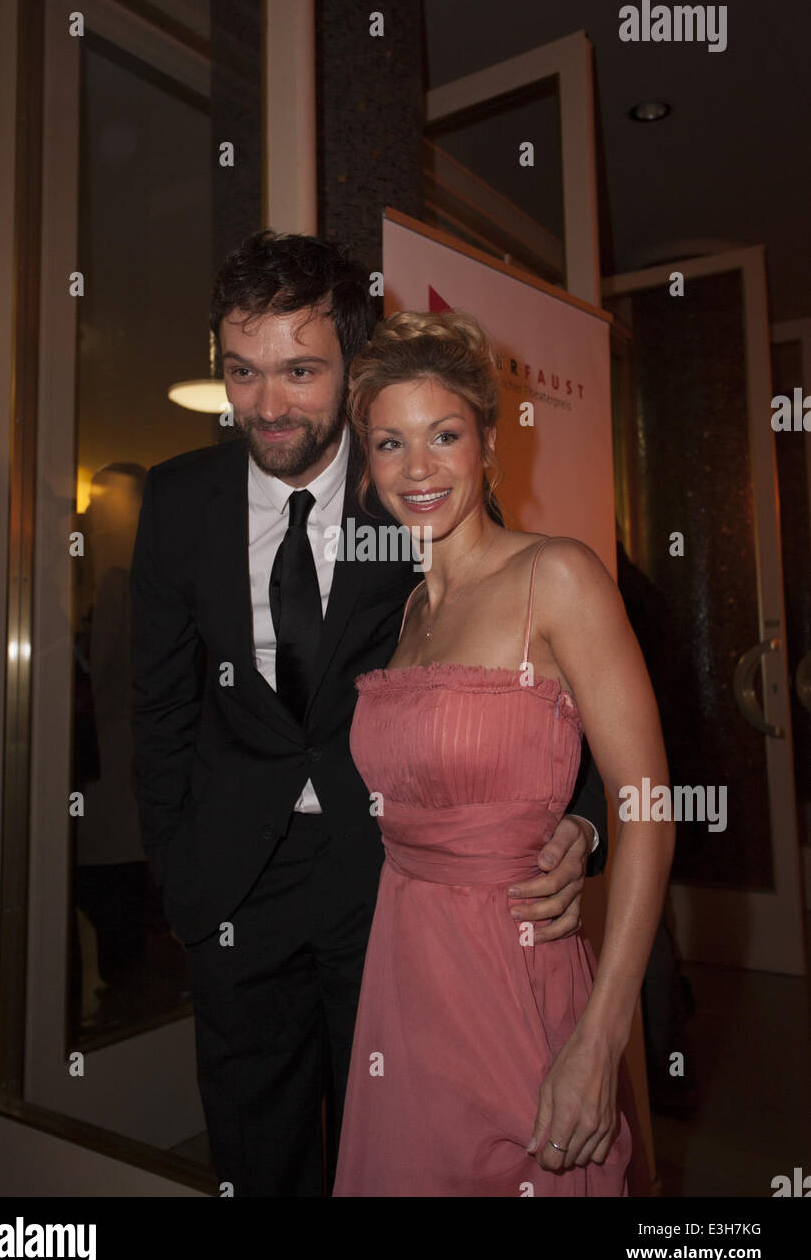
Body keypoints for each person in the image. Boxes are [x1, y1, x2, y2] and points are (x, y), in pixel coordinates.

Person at [129, 230, 611, 1197]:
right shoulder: (181, 500)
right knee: (256, 1155)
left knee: (389, 1147)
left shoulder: (412, 483)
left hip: (389, 885)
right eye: (242, 371)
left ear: (351, 366)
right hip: (232, 888)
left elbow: (540, 652)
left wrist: (584, 818)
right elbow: (159, 706)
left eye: (300, 371)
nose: (266, 405)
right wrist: (181, 879)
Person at [333, 310, 673, 1197]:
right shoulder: (409, 614)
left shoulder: (557, 576)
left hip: (512, 972)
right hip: (404, 981)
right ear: (366, 467)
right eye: (389, 444)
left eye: (444, 435)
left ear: (488, 445)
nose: (418, 469)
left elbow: (647, 807)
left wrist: (601, 1039)